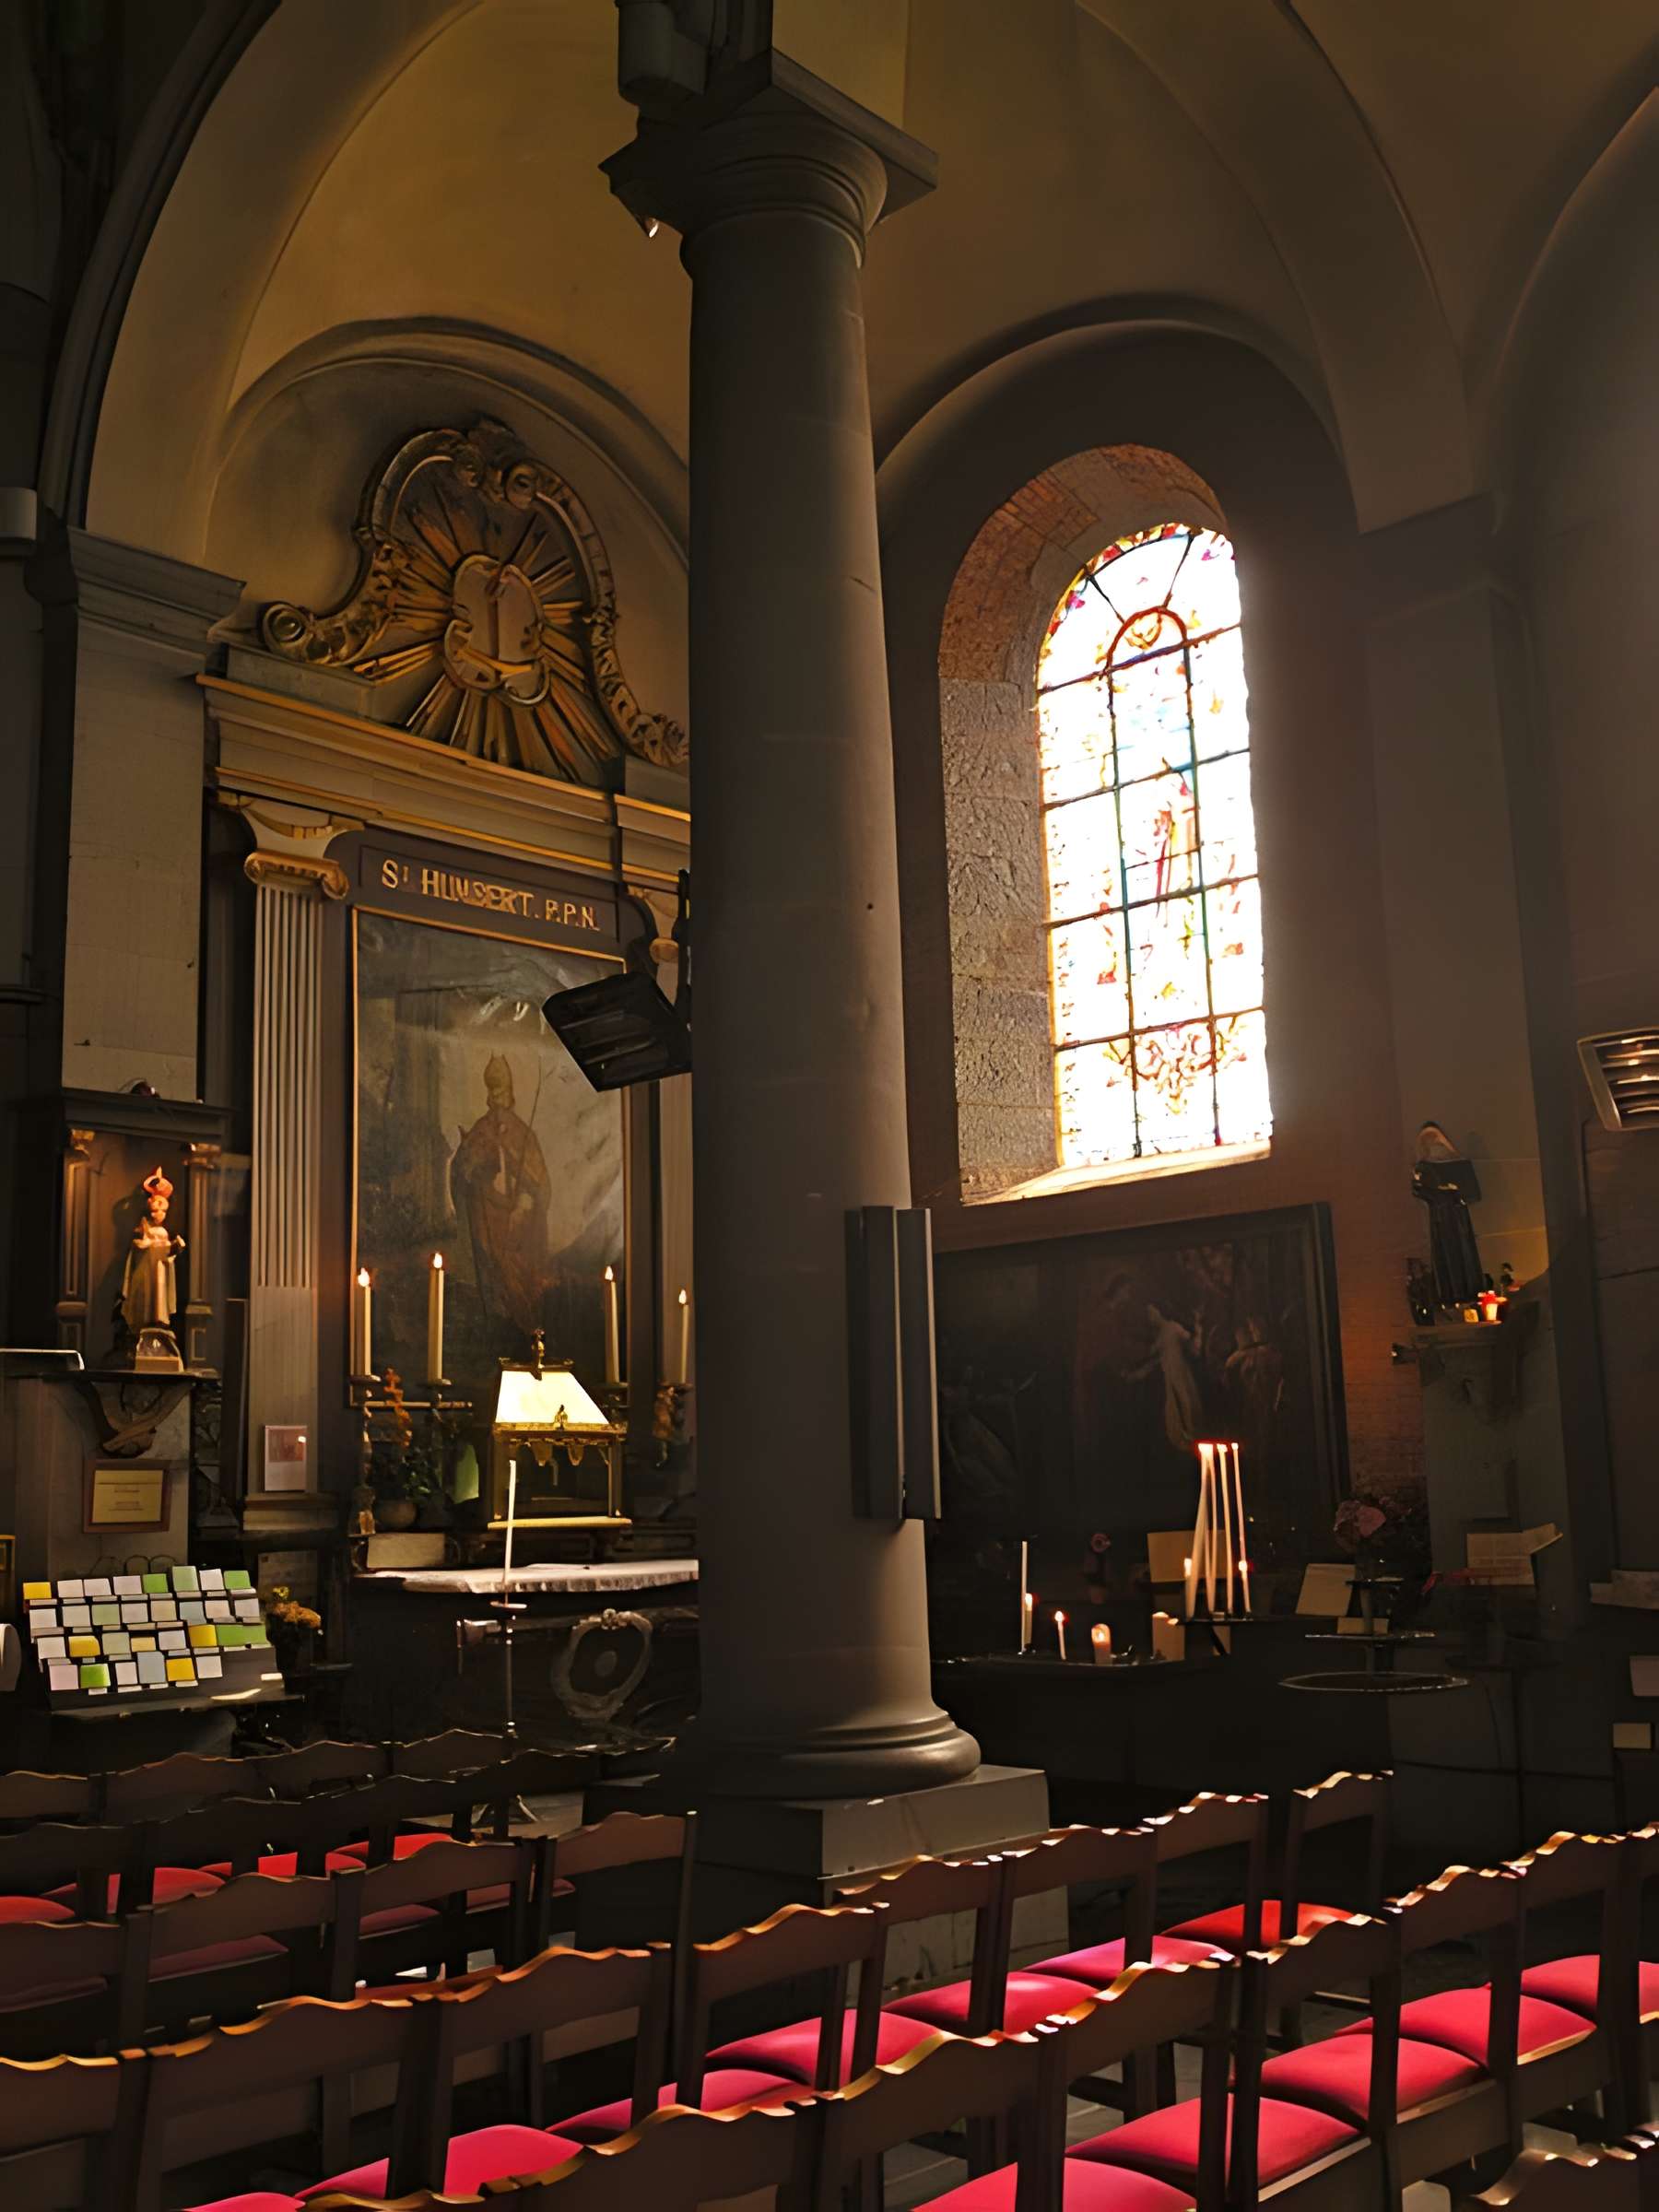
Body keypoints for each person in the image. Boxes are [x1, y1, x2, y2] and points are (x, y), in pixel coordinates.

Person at [450, 1053, 551, 1338]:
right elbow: (463, 1172)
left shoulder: (524, 1136)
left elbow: (541, 1187)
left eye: (501, 1096)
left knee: (520, 1287)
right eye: (494, 1098)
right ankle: (495, 1330)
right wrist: (469, 1167)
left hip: (519, 1230)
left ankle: (525, 1333)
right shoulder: (481, 1131)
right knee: (494, 1279)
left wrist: (523, 1204)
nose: (498, 1107)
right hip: (489, 1224)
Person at [1412, 1120, 1484, 1306]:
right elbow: (1418, 1190)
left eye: (1435, 1139)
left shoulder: (1458, 1164)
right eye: (1428, 1140)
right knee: (1445, 1254)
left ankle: (1469, 1292)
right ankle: (1450, 1295)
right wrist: (1440, 1191)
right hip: (1439, 1217)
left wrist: (1455, 1192)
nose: (1433, 1144)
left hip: (1457, 1216)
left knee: (1464, 1254)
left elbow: (1471, 1192)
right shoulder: (1423, 1168)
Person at [122, 1166, 183, 1332]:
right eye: (155, 1211)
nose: (158, 1214)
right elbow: (140, 1247)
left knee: (159, 1296)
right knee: (147, 1296)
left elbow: (168, 1253)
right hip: (147, 1268)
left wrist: (174, 1248)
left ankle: (158, 1321)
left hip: (160, 1268)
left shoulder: (162, 1232)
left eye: (161, 1211)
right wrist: (144, 1245)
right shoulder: (144, 1227)